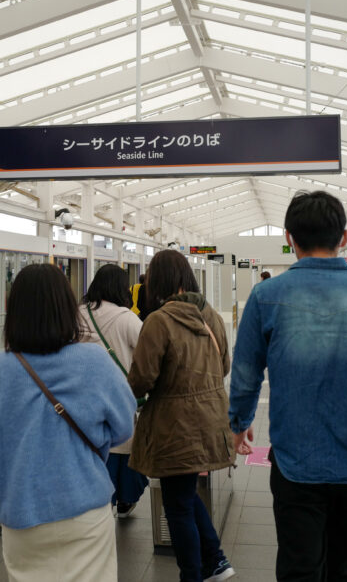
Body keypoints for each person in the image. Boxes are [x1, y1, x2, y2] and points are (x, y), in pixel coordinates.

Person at [229, 190, 347, 581]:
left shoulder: (266, 296)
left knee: (299, 566)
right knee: (343, 564)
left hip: (296, 463)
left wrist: (239, 422)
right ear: (344, 237)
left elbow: (245, 374)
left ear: (288, 237)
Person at [0, 263, 136, 582]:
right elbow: (123, 427)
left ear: (14, 311)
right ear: (67, 309)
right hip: (85, 509)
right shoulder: (95, 360)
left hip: (21, 514)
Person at [128, 249, 236, 582]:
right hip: (210, 419)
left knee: (177, 506)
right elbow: (226, 366)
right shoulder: (211, 316)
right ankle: (216, 560)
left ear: (156, 280)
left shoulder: (158, 321)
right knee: (184, 495)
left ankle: (193, 574)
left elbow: (142, 378)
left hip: (175, 425)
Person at [79, 264, 148, 518]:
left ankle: (97, 504)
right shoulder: (127, 318)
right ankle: (124, 499)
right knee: (123, 454)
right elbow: (146, 354)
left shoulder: (77, 314)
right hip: (119, 400)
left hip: (83, 403)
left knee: (94, 454)